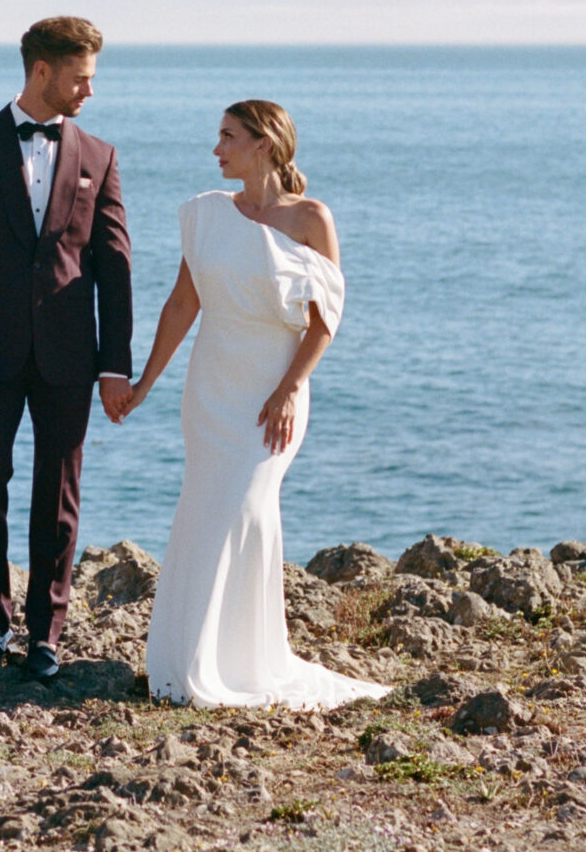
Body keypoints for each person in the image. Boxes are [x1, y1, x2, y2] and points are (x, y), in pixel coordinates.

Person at [112, 99, 388, 710]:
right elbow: (183, 304)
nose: (217, 150)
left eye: (228, 137)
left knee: (248, 509)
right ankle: (185, 661)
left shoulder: (312, 219)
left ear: (263, 143)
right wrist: (145, 383)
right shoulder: (207, 215)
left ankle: (240, 660)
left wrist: (290, 386)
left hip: (273, 390)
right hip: (210, 389)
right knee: (206, 508)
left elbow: (325, 322)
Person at [0, 17, 135, 680]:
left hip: (70, 358)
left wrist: (114, 365)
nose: (89, 92)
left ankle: (47, 634)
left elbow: (114, 266)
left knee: (60, 495)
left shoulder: (99, 156)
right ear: (42, 71)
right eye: (81, 78)